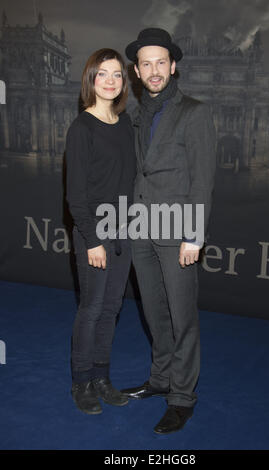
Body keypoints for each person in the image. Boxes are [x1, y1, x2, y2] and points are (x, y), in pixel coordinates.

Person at [121, 28, 216, 434]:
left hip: (178, 231)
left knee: (182, 319)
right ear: (137, 71)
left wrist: (193, 236)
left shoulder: (194, 112)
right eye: (146, 63)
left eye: (162, 62)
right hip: (141, 228)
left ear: (173, 66)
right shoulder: (135, 113)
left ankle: (182, 397)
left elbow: (202, 180)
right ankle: (160, 380)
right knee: (154, 313)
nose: (154, 70)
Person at [65, 49, 136, 414]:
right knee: (91, 309)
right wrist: (92, 240)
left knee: (111, 308)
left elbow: (127, 181)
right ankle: (81, 382)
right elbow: (75, 195)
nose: (110, 81)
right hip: (94, 234)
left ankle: (101, 376)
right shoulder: (82, 128)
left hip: (124, 232)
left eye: (117, 74)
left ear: (124, 82)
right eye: (102, 73)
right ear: (90, 79)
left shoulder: (124, 123)